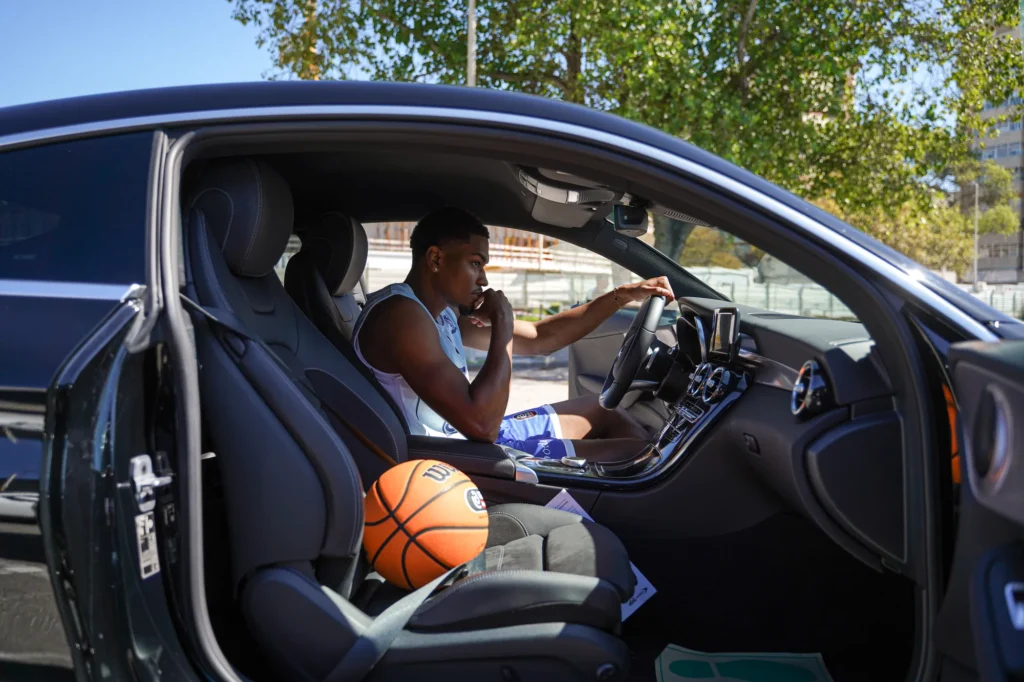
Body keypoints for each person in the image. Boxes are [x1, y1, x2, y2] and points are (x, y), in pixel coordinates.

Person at [352, 207, 675, 462]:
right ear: (436, 259)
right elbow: (483, 425)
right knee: (641, 455)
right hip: (458, 458)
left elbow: (540, 337)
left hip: (473, 438)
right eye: (475, 263)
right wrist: (502, 324)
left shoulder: (442, 313)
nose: (483, 278)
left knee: (607, 410)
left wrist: (622, 295)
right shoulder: (402, 315)